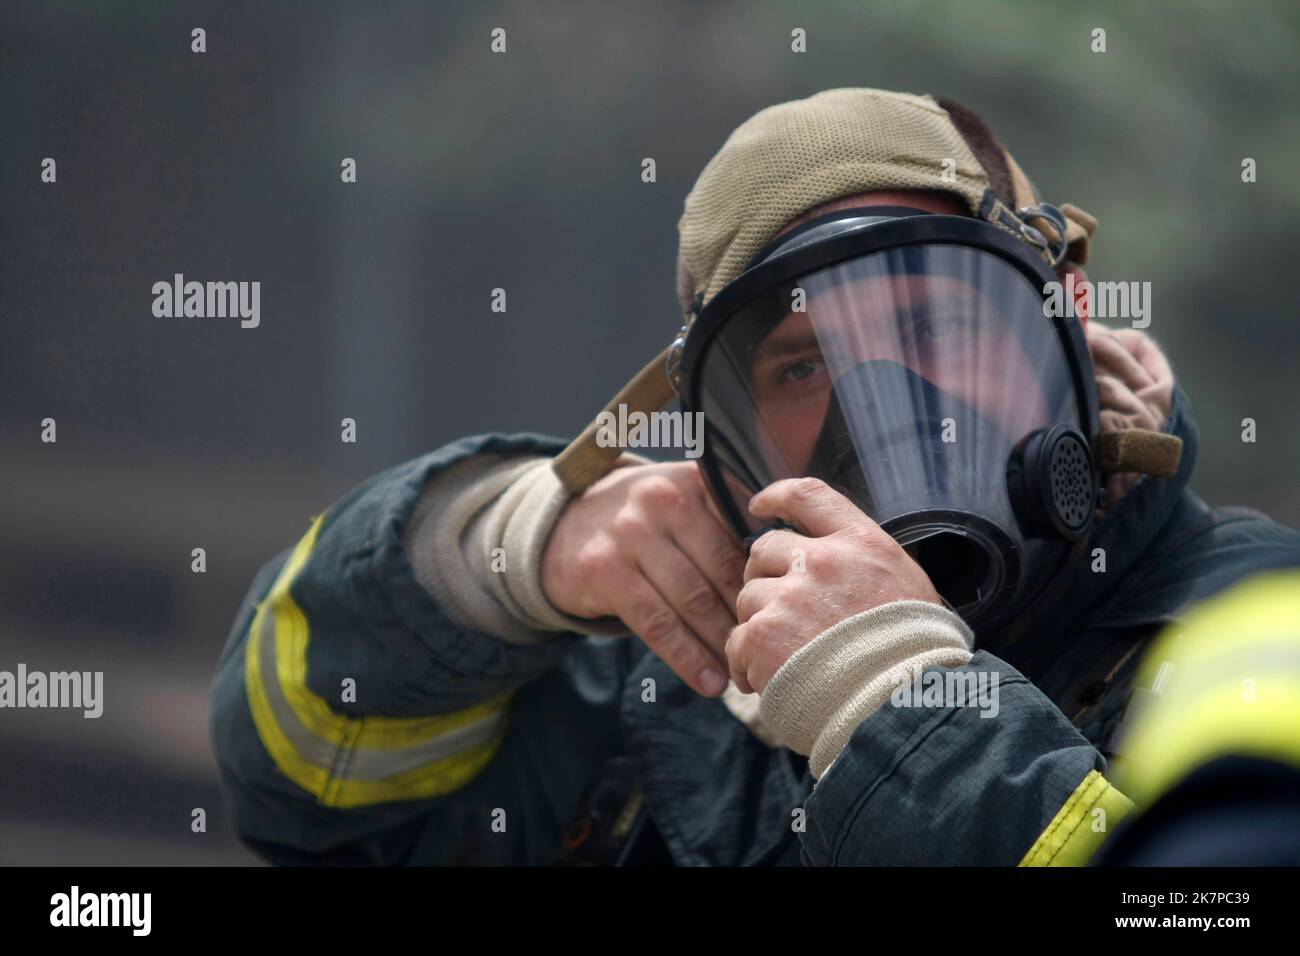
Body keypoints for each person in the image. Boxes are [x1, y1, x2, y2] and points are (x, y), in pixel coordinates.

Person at [209, 88, 1300, 865]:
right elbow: (302, 794)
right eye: (800, 361)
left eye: (932, 318)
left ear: (1063, 318)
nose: (883, 403)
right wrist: (498, 557)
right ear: (725, 438)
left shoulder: (1259, 632)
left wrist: (902, 714)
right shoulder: (677, 684)